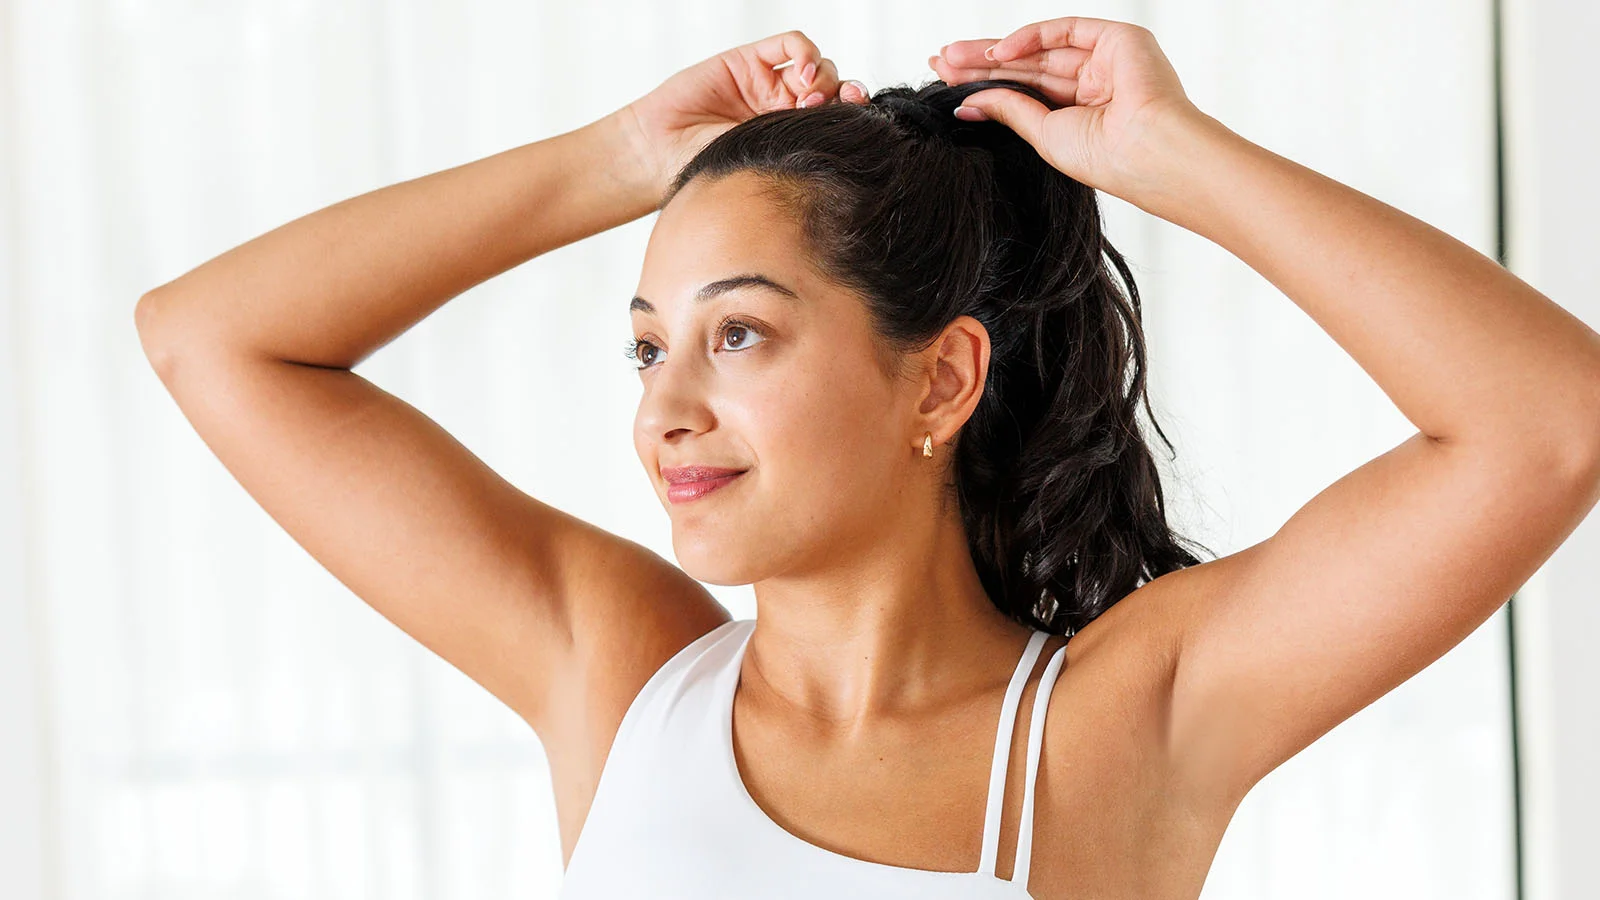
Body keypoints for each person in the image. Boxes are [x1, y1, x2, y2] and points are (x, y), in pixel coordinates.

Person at [133, 16, 1600, 900]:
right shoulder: (618, 671)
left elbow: (1547, 423)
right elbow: (212, 336)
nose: (665, 412)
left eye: (742, 337)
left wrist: (1178, 156)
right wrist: (620, 160)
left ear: (941, 380)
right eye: (649, 346)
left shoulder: (1123, 720)